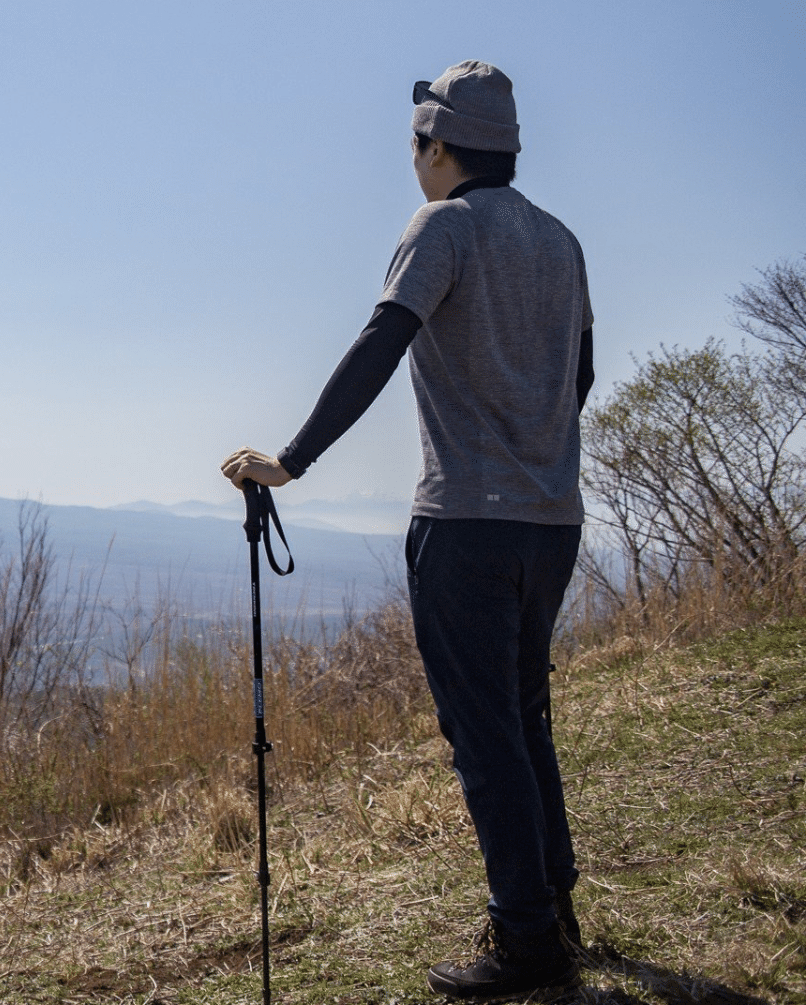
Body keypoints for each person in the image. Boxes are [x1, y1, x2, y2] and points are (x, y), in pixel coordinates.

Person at [219, 60, 593, 998]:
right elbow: (581, 375)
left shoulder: (443, 226)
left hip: (465, 523)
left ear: (437, 146)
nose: (412, 164)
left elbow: (381, 339)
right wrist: (536, 447)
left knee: (485, 733)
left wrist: (292, 460)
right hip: (554, 523)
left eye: (414, 146)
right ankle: (554, 904)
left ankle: (526, 941)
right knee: (524, 714)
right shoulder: (561, 241)